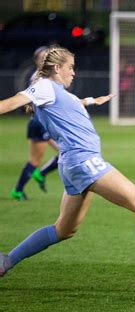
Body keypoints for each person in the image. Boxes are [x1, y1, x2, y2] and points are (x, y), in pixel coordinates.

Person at [0, 46, 135, 278]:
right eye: (70, 67)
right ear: (57, 68)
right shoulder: (44, 87)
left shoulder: (56, 91)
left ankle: (6, 260)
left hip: (71, 164)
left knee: (64, 230)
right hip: (83, 160)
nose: (74, 73)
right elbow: (8, 104)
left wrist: (92, 100)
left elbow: (71, 103)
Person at [11, 46, 59, 201]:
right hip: (40, 124)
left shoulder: (46, 77)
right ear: (37, 61)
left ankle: (38, 176)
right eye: (42, 58)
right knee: (38, 160)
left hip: (40, 123)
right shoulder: (40, 78)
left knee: (66, 150)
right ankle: (19, 189)